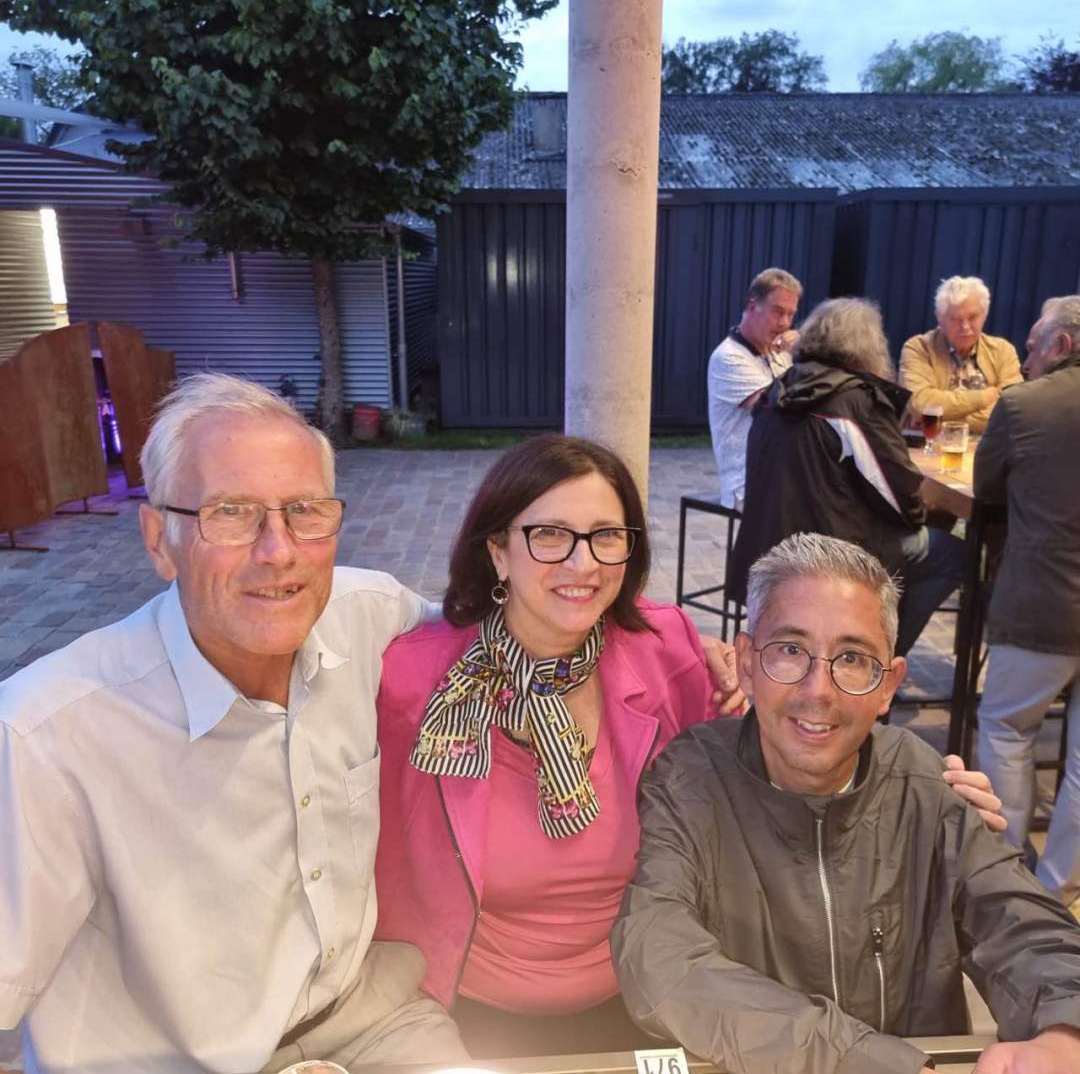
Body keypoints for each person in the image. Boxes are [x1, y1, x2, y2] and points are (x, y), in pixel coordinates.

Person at [373, 436, 1002, 1060]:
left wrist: (914, 790)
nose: (583, 564)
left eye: (606, 536)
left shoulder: (666, 651)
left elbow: (772, 760)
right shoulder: (413, 682)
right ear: (497, 551)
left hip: (653, 997)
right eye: (551, 535)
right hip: (468, 1009)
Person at [0, 374, 467, 1073]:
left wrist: (645, 640)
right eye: (231, 513)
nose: (278, 550)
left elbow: (503, 639)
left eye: (304, 510)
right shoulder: (44, 738)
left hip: (368, 1021)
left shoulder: (366, 615)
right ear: (160, 541)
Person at [613, 533, 1080, 1074]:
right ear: (746, 663)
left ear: (888, 686)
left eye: (852, 658)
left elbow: (1018, 918)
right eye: (791, 650)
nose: (819, 690)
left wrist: (1065, 1030)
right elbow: (659, 955)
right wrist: (864, 1061)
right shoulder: (690, 779)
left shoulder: (924, 783)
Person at [729, 297, 965, 656]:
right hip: (833, 554)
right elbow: (903, 500)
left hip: (768, 546)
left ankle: (856, 647)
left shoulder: (778, 391)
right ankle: (877, 658)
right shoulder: (856, 401)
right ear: (869, 347)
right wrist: (921, 510)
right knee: (953, 553)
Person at [975, 295, 1080, 911]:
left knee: (1008, 729)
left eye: (1035, 345)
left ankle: (1007, 878)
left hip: (1043, 599)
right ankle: (1059, 890)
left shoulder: (1023, 404)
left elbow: (986, 488)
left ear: (1062, 346)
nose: (1027, 356)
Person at [707, 267, 802, 509]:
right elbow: (776, 409)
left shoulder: (779, 353)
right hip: (750, 481)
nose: (785, 323)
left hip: (784, 471)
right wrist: (800, 356)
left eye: (791, 315)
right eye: (777, 311)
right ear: (752, 307)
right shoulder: (729, 357)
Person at [900, 275, 1023, 434]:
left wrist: (939, 420)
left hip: (988, 447)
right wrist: (984, 397)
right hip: (932, 447)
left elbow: (1013, 409)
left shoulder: (1003, 351)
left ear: (985, 314)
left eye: (973, 317)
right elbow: (920, 404)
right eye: (955, 319)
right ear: (940, 318)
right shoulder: (919, 348)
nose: (965, 327)